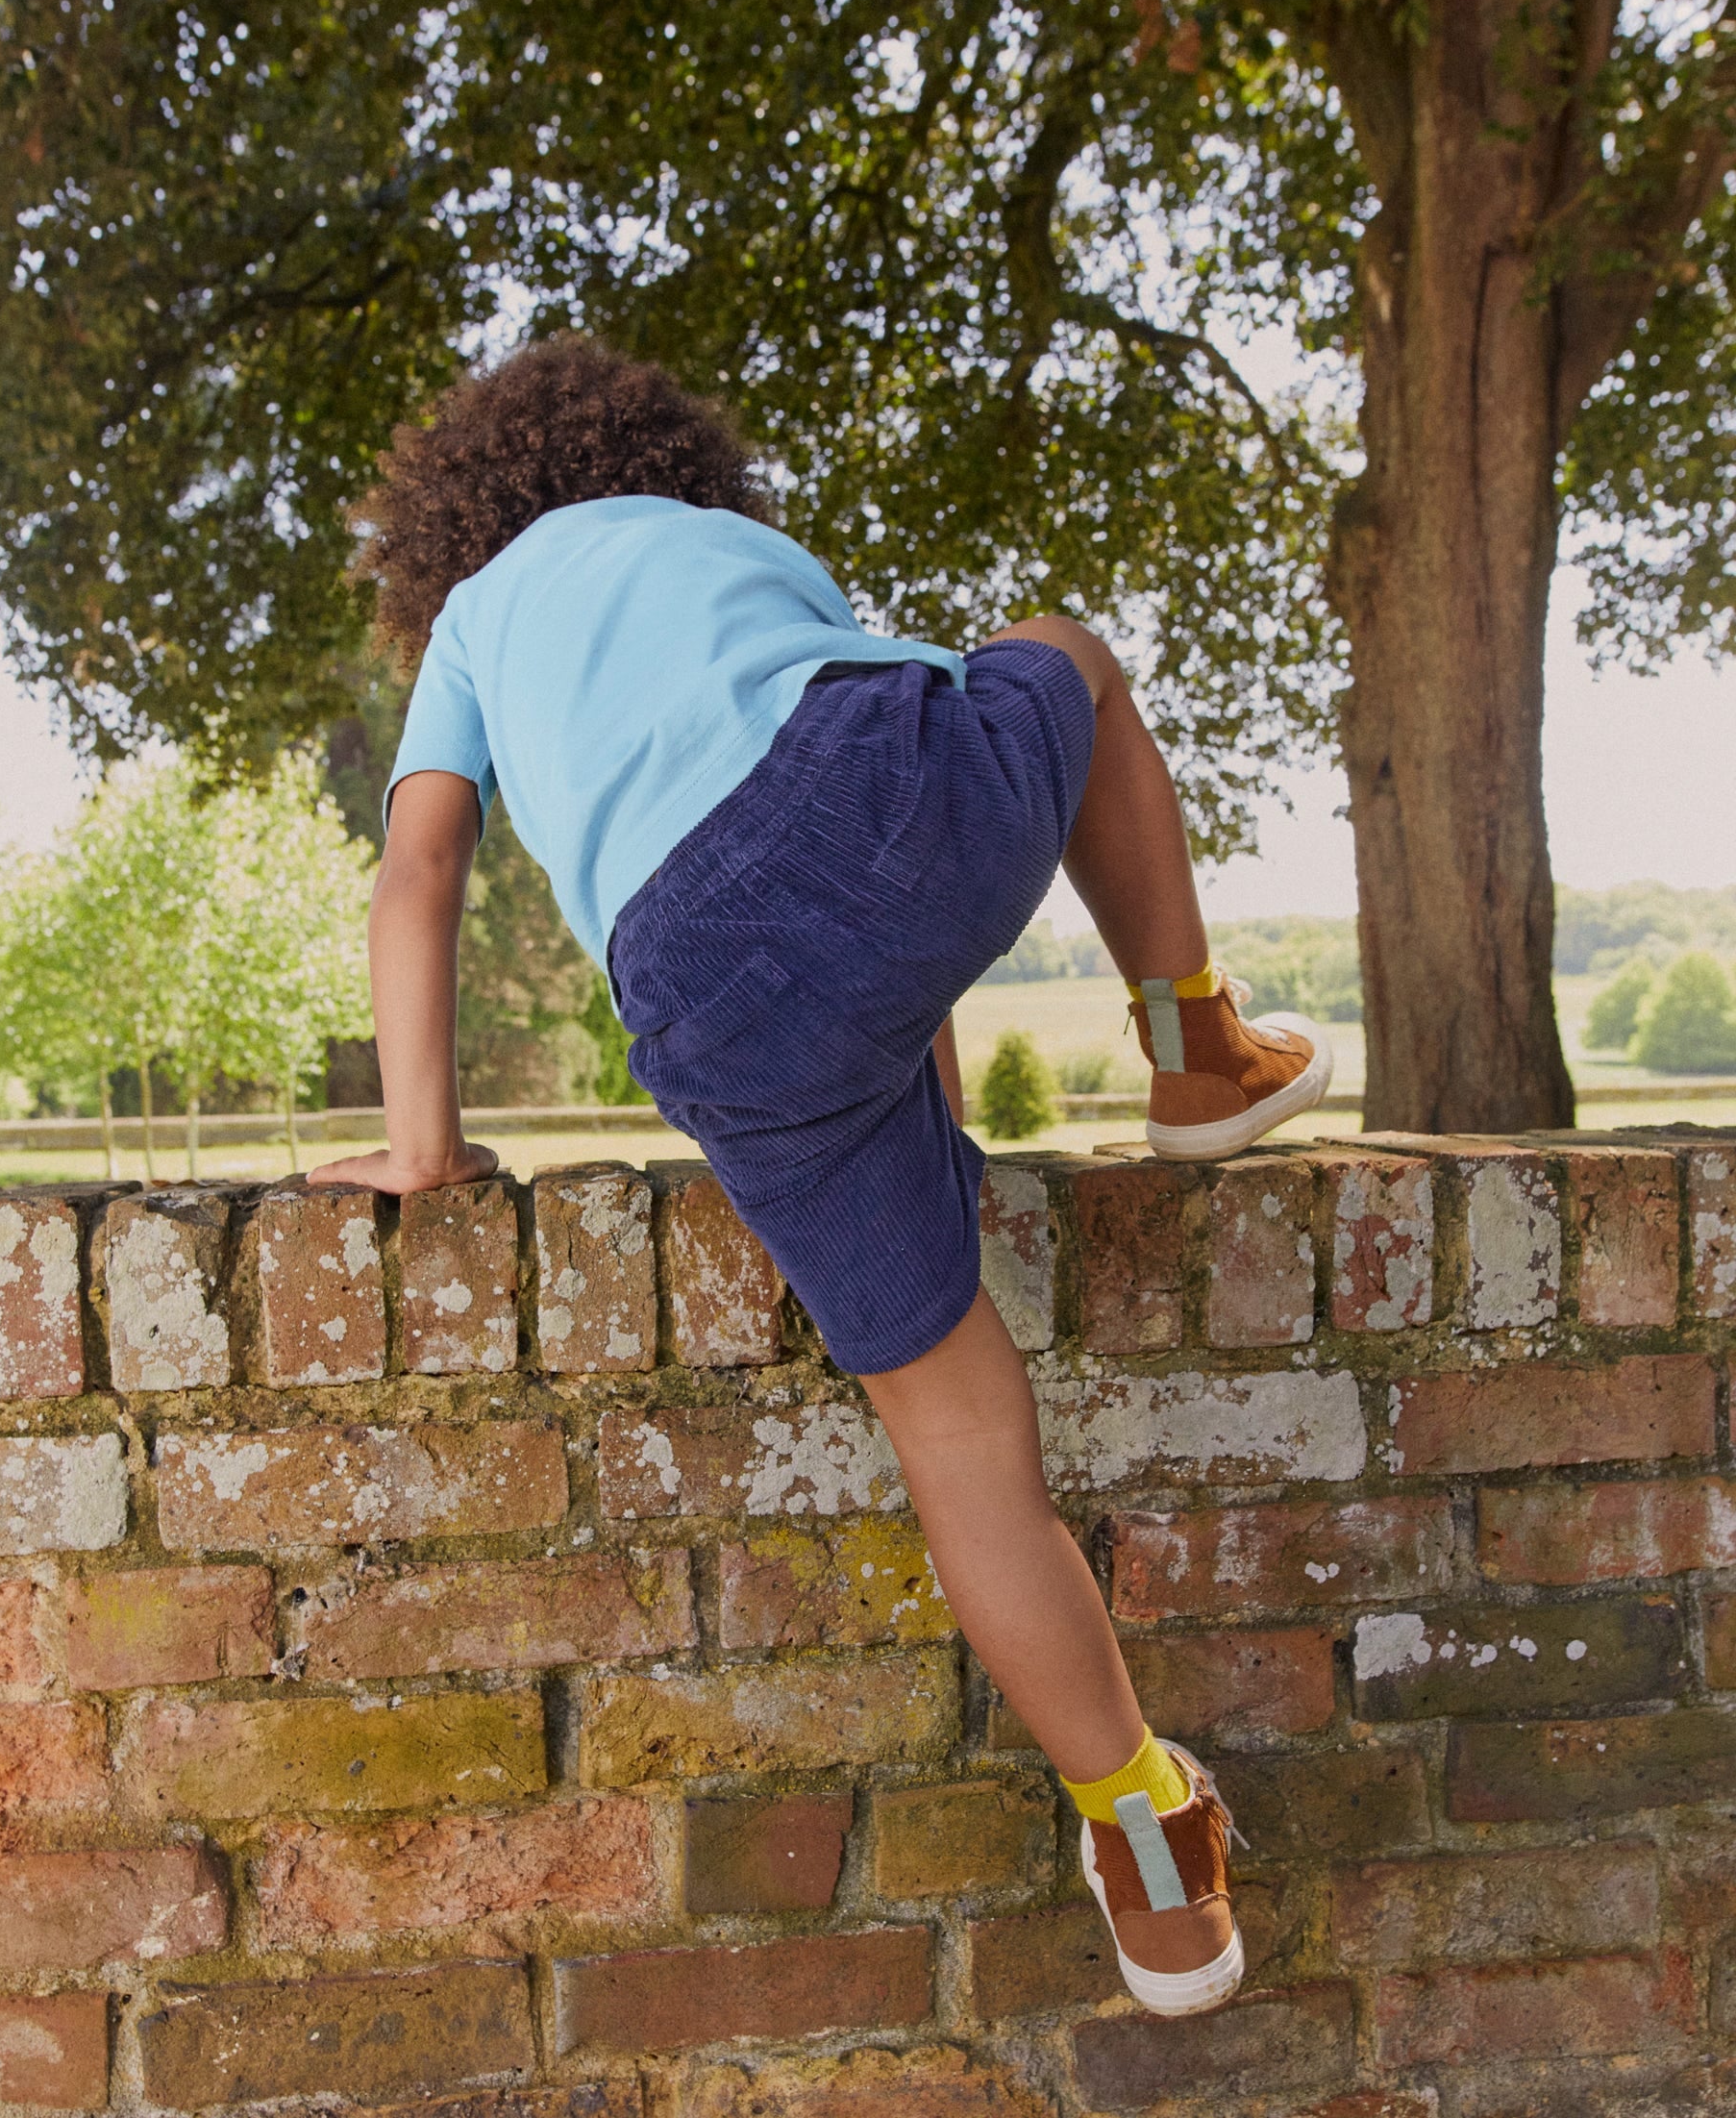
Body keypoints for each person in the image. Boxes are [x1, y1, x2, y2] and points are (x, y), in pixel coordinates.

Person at [311, 336, 1332, 2017]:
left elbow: (421, 861)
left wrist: (425, 1146)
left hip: (702, 990)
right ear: (659, 459)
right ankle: (1198, 1050)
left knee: (958, 1444)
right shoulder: (730, 543)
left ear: (451, 532)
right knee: (1062, 653)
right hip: (879, 794)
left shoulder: (484, 615)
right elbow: (869, 799)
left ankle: (1150, 1853)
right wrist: (942, 1106)